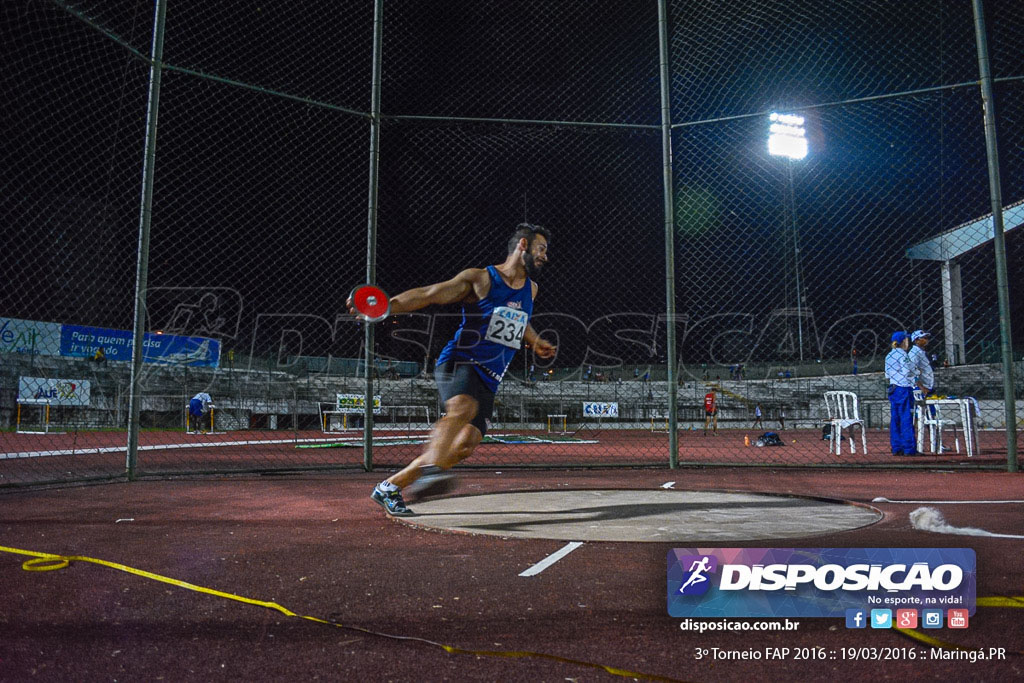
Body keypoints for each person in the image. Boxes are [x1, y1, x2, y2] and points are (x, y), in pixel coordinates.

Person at [354, 224, 556, 516]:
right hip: (460, 360)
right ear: (522, 245)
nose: (545, 257)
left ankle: (389, 487)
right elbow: (430, 294)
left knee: (464, 445)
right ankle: (433, 472)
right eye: (541, 249)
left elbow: (518, 320)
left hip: (490, 377)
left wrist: (536, 341)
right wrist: (385, 307)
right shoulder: (481, 279)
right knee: (462, 406)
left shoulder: (531, 289)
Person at [885, 330, 917, 456]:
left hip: (893, 387)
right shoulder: (903, 354)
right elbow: (908, 371)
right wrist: (916, 373)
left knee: (895, 418)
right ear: (903, 341)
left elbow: (887, 374)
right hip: (904, 387)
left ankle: (896, 446)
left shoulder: (889, 355)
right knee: (906, 418)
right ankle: (909, 448)